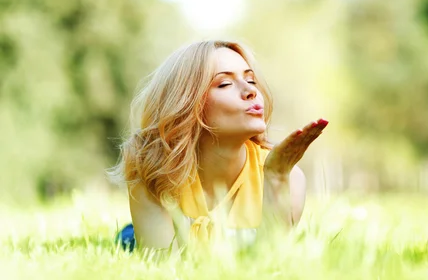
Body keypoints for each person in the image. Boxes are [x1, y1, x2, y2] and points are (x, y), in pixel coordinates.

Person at [109, 40, 328, 252]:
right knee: (128, 240)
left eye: (251, 81)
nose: (250, 91)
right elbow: (163, 266)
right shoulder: (152, 168)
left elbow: (268, 266)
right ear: (187, 104)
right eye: (224, 83)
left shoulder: (289, 178)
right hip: (140, 235)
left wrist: (277, 176)